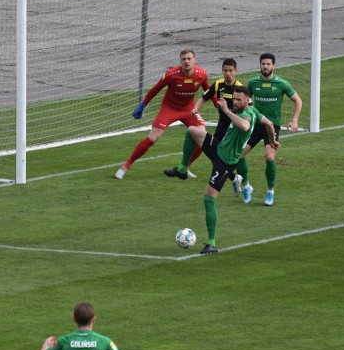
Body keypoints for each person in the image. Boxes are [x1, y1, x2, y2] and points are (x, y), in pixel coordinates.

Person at [165, 86, 279, 254]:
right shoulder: (254, 111)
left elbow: (245, 127)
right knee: (192, 131)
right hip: (219, 149)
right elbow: (269, 123)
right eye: (234, 99)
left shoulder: (247, 114)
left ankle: (211, 243)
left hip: (225, 162)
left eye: (239, 100)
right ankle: (183, 169)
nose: (236, 102)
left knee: (208, 199)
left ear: (247, 100)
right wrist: (273, 139)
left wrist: (227, 111)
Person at [115, 49, 213, 179]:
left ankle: (184, 169)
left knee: (203, 139)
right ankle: (125, 166)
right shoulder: (171, 74)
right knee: (152, 138)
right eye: (184, 59)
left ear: (195, 60)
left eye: (189, 59)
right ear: (180, 61)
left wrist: (218, 105)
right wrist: (143, 105)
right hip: (169, 109)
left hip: (189, 110)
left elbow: (209, 91)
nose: (186, 61)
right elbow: (156, 89)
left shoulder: (202, 75)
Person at [239, 53, 302, 206]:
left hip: (271, 127)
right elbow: (245, 99)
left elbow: (298, 101)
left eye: (268, 64)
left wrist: (294, 120)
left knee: (269, 157)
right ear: (260, 65)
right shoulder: (253, 82)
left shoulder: (281, 84)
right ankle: (246, 186)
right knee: (238, 156)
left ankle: (270, 191)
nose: (265, 66)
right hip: (255, 125)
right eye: (263, 64)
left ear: (273, 66)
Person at [180, 57, 246, 195]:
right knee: (216, 157)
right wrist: (195, 109)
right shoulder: (218, 84)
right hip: (221, 128)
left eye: (230, 71)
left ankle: (243, 183)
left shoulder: (239, 88)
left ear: (236, 71)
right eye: (225, 70)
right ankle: (235, 178)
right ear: (222, 70)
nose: (228, 73)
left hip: (233, 131)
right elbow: (203, 97)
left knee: (231, 158)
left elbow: (248, 109)